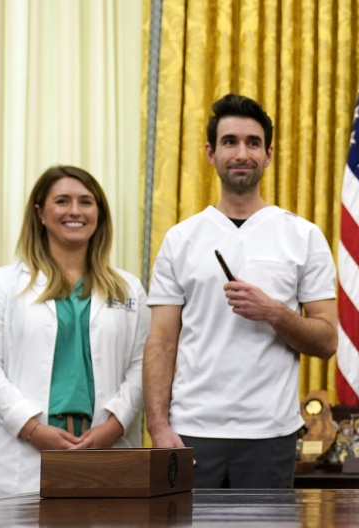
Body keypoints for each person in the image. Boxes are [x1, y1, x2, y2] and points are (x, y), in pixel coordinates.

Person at [144, 93, 338, 489]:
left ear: (268, 155)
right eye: (230, 141)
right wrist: (158, 427)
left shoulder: (303, 236)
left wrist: (274, 311)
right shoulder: (181, 239)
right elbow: (161, 342)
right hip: (192, 429)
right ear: (211, 153)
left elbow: (327, 341)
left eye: (253, 143)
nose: (241, 152)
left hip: (271, 433)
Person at [0, 166, 149, 496]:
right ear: (40, 212)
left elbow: (143, 365)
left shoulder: (129, 289)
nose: (74, 211)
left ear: (99, 213)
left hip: (105, 448)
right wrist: (30, 428)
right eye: (62, 201)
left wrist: (114, 427)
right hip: (19, 456)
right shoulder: (2, 284)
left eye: (86, 202)